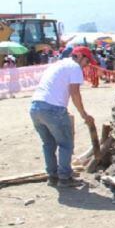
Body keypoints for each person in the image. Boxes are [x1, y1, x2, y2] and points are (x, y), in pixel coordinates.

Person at [30, 46, 96, 188]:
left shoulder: (57, 64)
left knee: (48, 144)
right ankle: (65, 178)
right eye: (86, 61)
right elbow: (75, 93)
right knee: (66, 144)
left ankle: (52, 176)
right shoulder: (74, 67)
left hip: (36, 107)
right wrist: (84, 114)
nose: (86, 64)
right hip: (53, 109)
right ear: (79, 56)